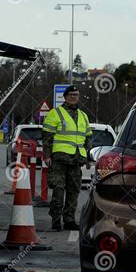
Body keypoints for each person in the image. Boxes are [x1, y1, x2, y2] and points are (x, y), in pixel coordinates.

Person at [42, 85, 93, 231]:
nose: (73, 97)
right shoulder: (55, 113)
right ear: (64, 97)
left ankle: (69, 220)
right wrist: (46, 155)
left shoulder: (83, 115)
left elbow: (88, 137)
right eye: (70, 94)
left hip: (76, 160)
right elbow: (47, 137)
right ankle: (56, 219)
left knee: (74, 190)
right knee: (58, 189)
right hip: (59, 158)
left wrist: (89, 156)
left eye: (76, 94)